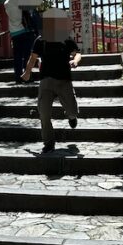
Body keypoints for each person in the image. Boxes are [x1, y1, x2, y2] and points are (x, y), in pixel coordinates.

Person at [21, 9, 82, 153]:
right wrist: (27, 72)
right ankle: (49, 143)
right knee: (44, 113)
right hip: (46, 81)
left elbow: (77, 53)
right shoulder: (40, 40)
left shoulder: (66, 39)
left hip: (64, 81)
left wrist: (75, 60)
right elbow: (33, 58)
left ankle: (71, 116)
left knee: (73, 110)